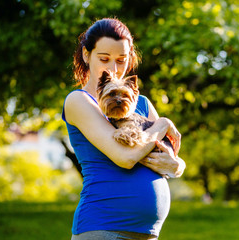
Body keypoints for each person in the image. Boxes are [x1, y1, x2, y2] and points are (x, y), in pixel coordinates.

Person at [62, 17, 186, 240]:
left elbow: (172, 157)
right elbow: (125, 157)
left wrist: (177, 166)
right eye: (104, 58)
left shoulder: (143, 103)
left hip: (147, 234)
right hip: (103, 227)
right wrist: (164, 123)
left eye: (121, 60)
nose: (114, 68)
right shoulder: (79, 101)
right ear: (86, 55)